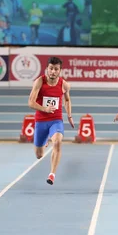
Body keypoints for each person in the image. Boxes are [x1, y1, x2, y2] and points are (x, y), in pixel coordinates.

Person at [27, 57, 75, 185]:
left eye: (56, 69)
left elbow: (67, 100)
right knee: (39, 155)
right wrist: (44, 109)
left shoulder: (64, 85)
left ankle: (52, 174)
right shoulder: (39, 82)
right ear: (47, 69)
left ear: (60, 70)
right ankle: (46, 138)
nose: (53, 71)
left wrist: (69, 116)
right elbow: (30, 102)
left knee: (58, 142)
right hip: (41, 121)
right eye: (51, 69)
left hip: (56, 120)